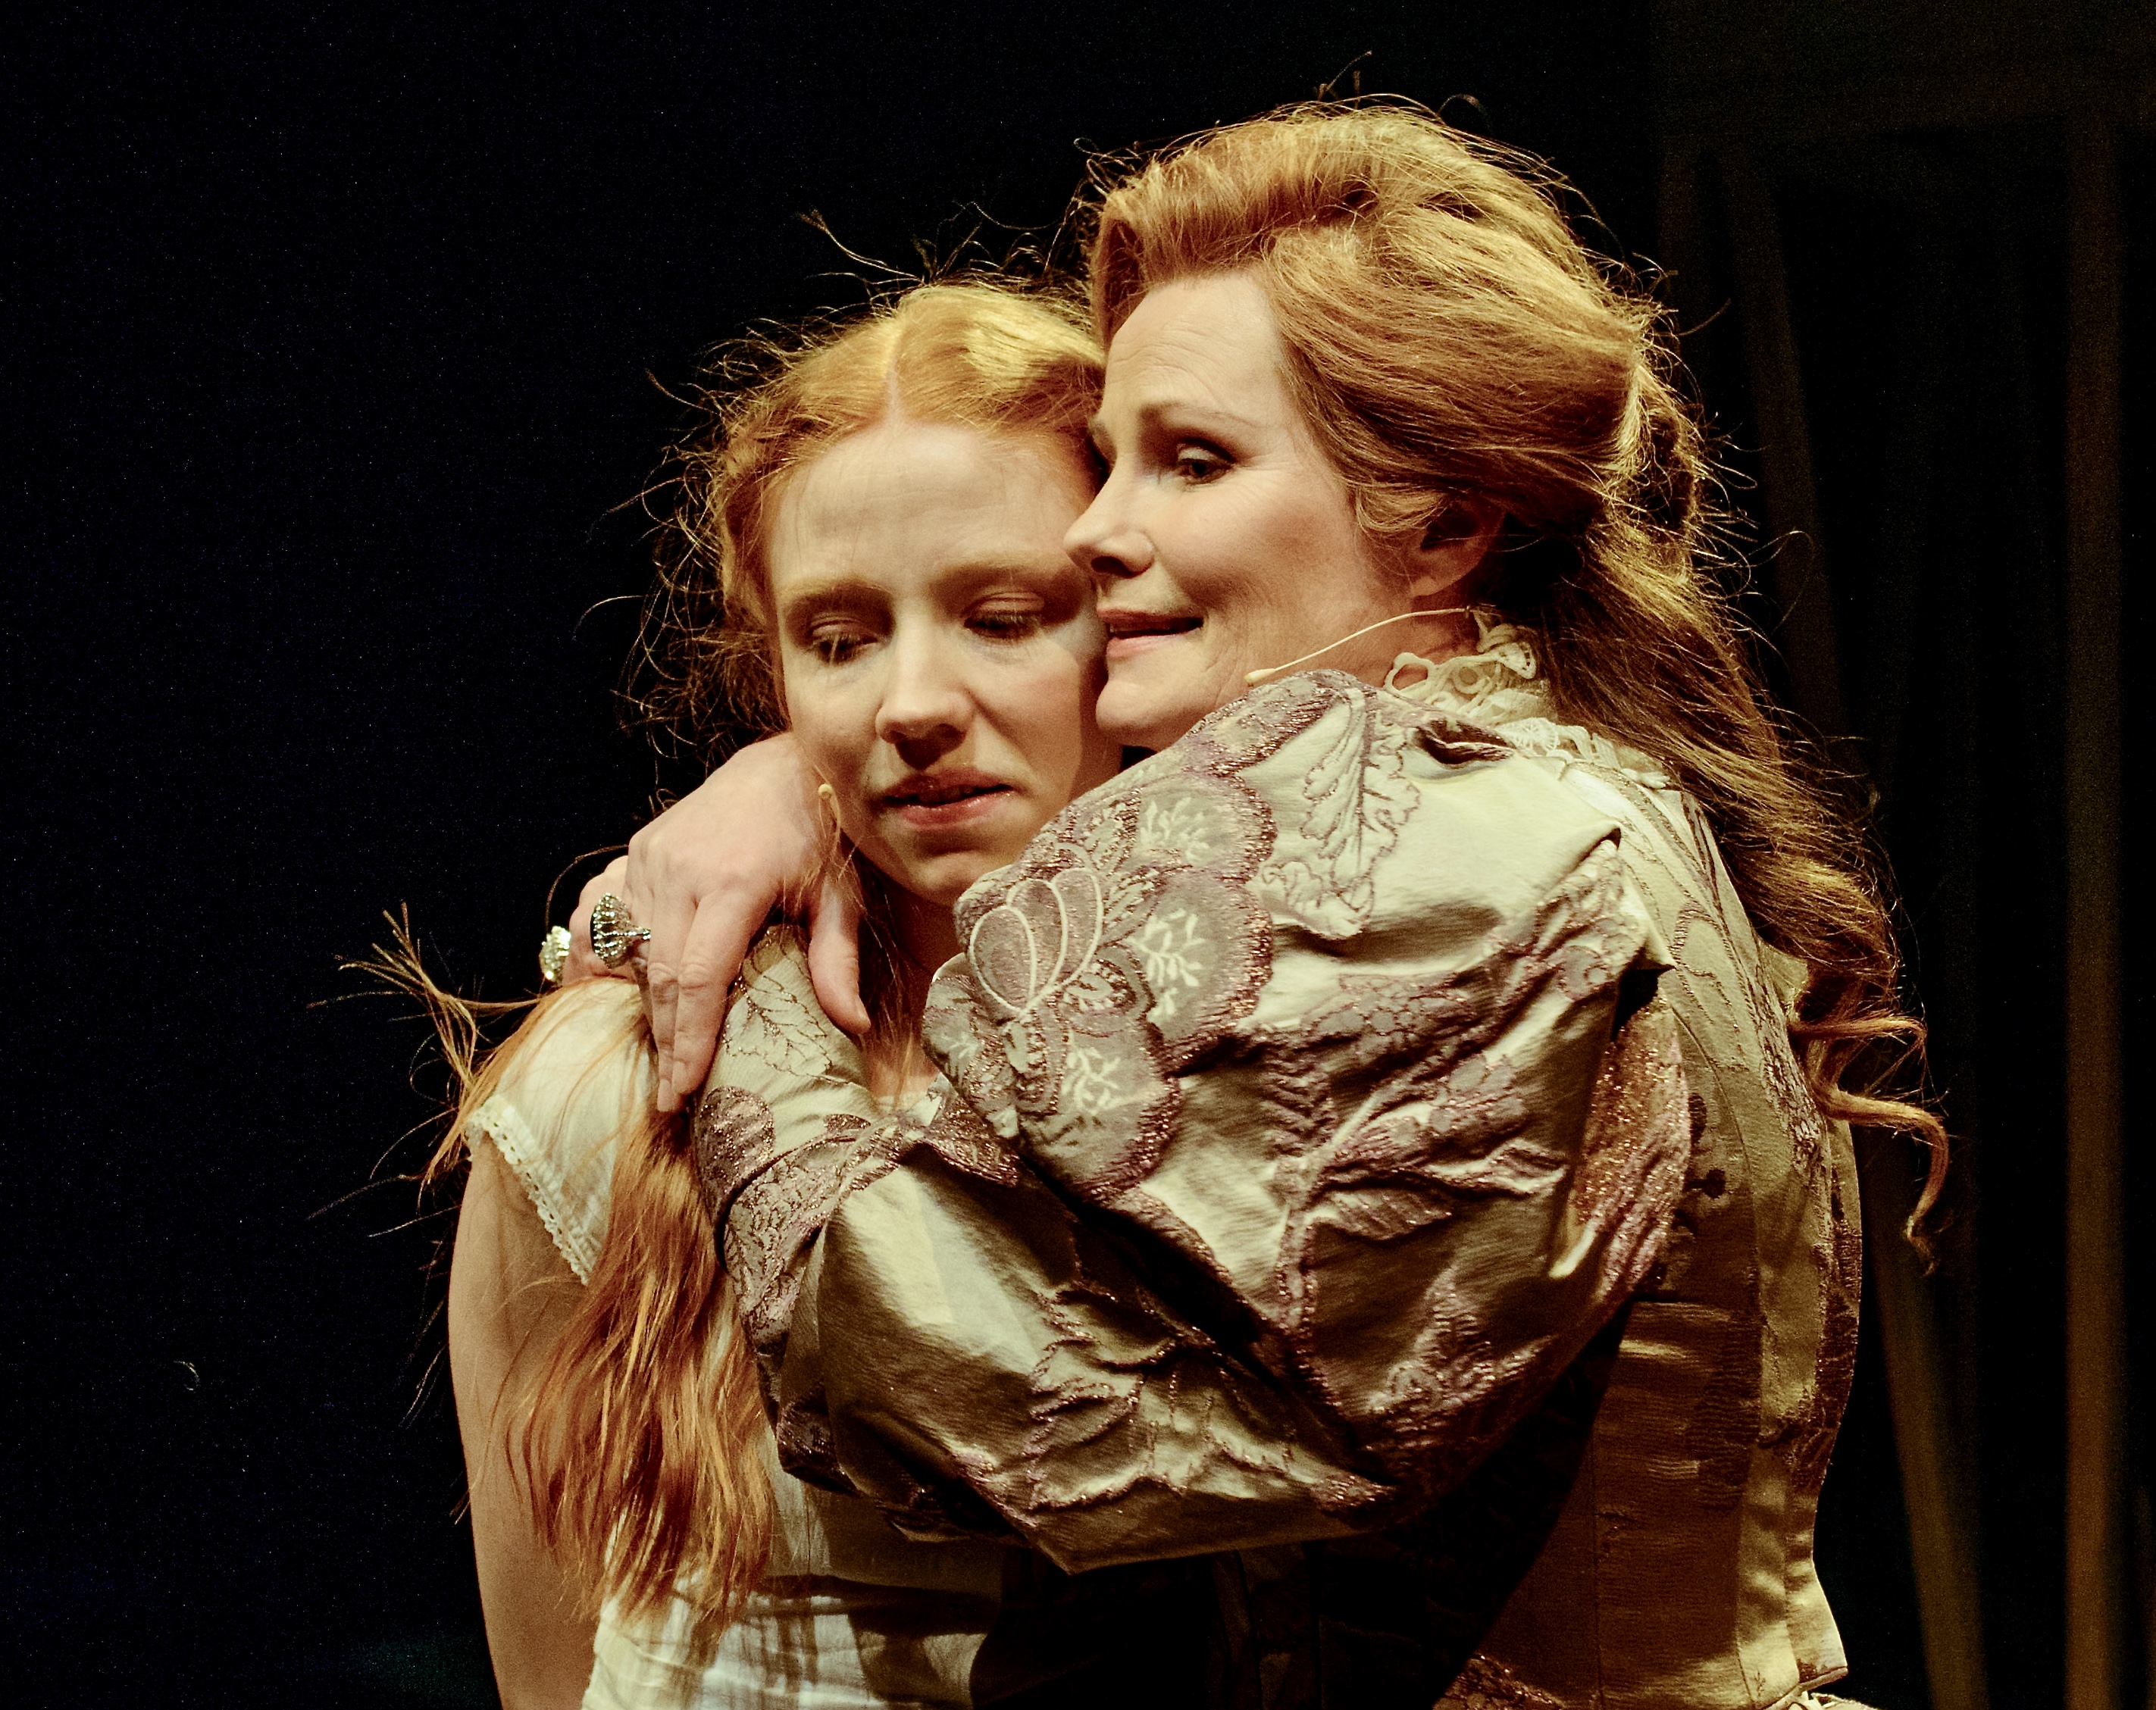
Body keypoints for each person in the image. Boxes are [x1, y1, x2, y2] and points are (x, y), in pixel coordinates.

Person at [568, 102, 1939, 1709]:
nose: (1100, 529)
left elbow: (948, 1376)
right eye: (1115, 459)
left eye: (1193, 461)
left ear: (1443, 521)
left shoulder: (1457, 851)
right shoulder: (1490, 797)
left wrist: (739, 946)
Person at [410, 280, 1162, 1708]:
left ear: (1137, 618)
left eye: (1003, 615)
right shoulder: (614, 1078)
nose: (912, 702)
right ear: (770, 668)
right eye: (838, 637)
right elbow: (546, 1661)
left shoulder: (1270, 1033)